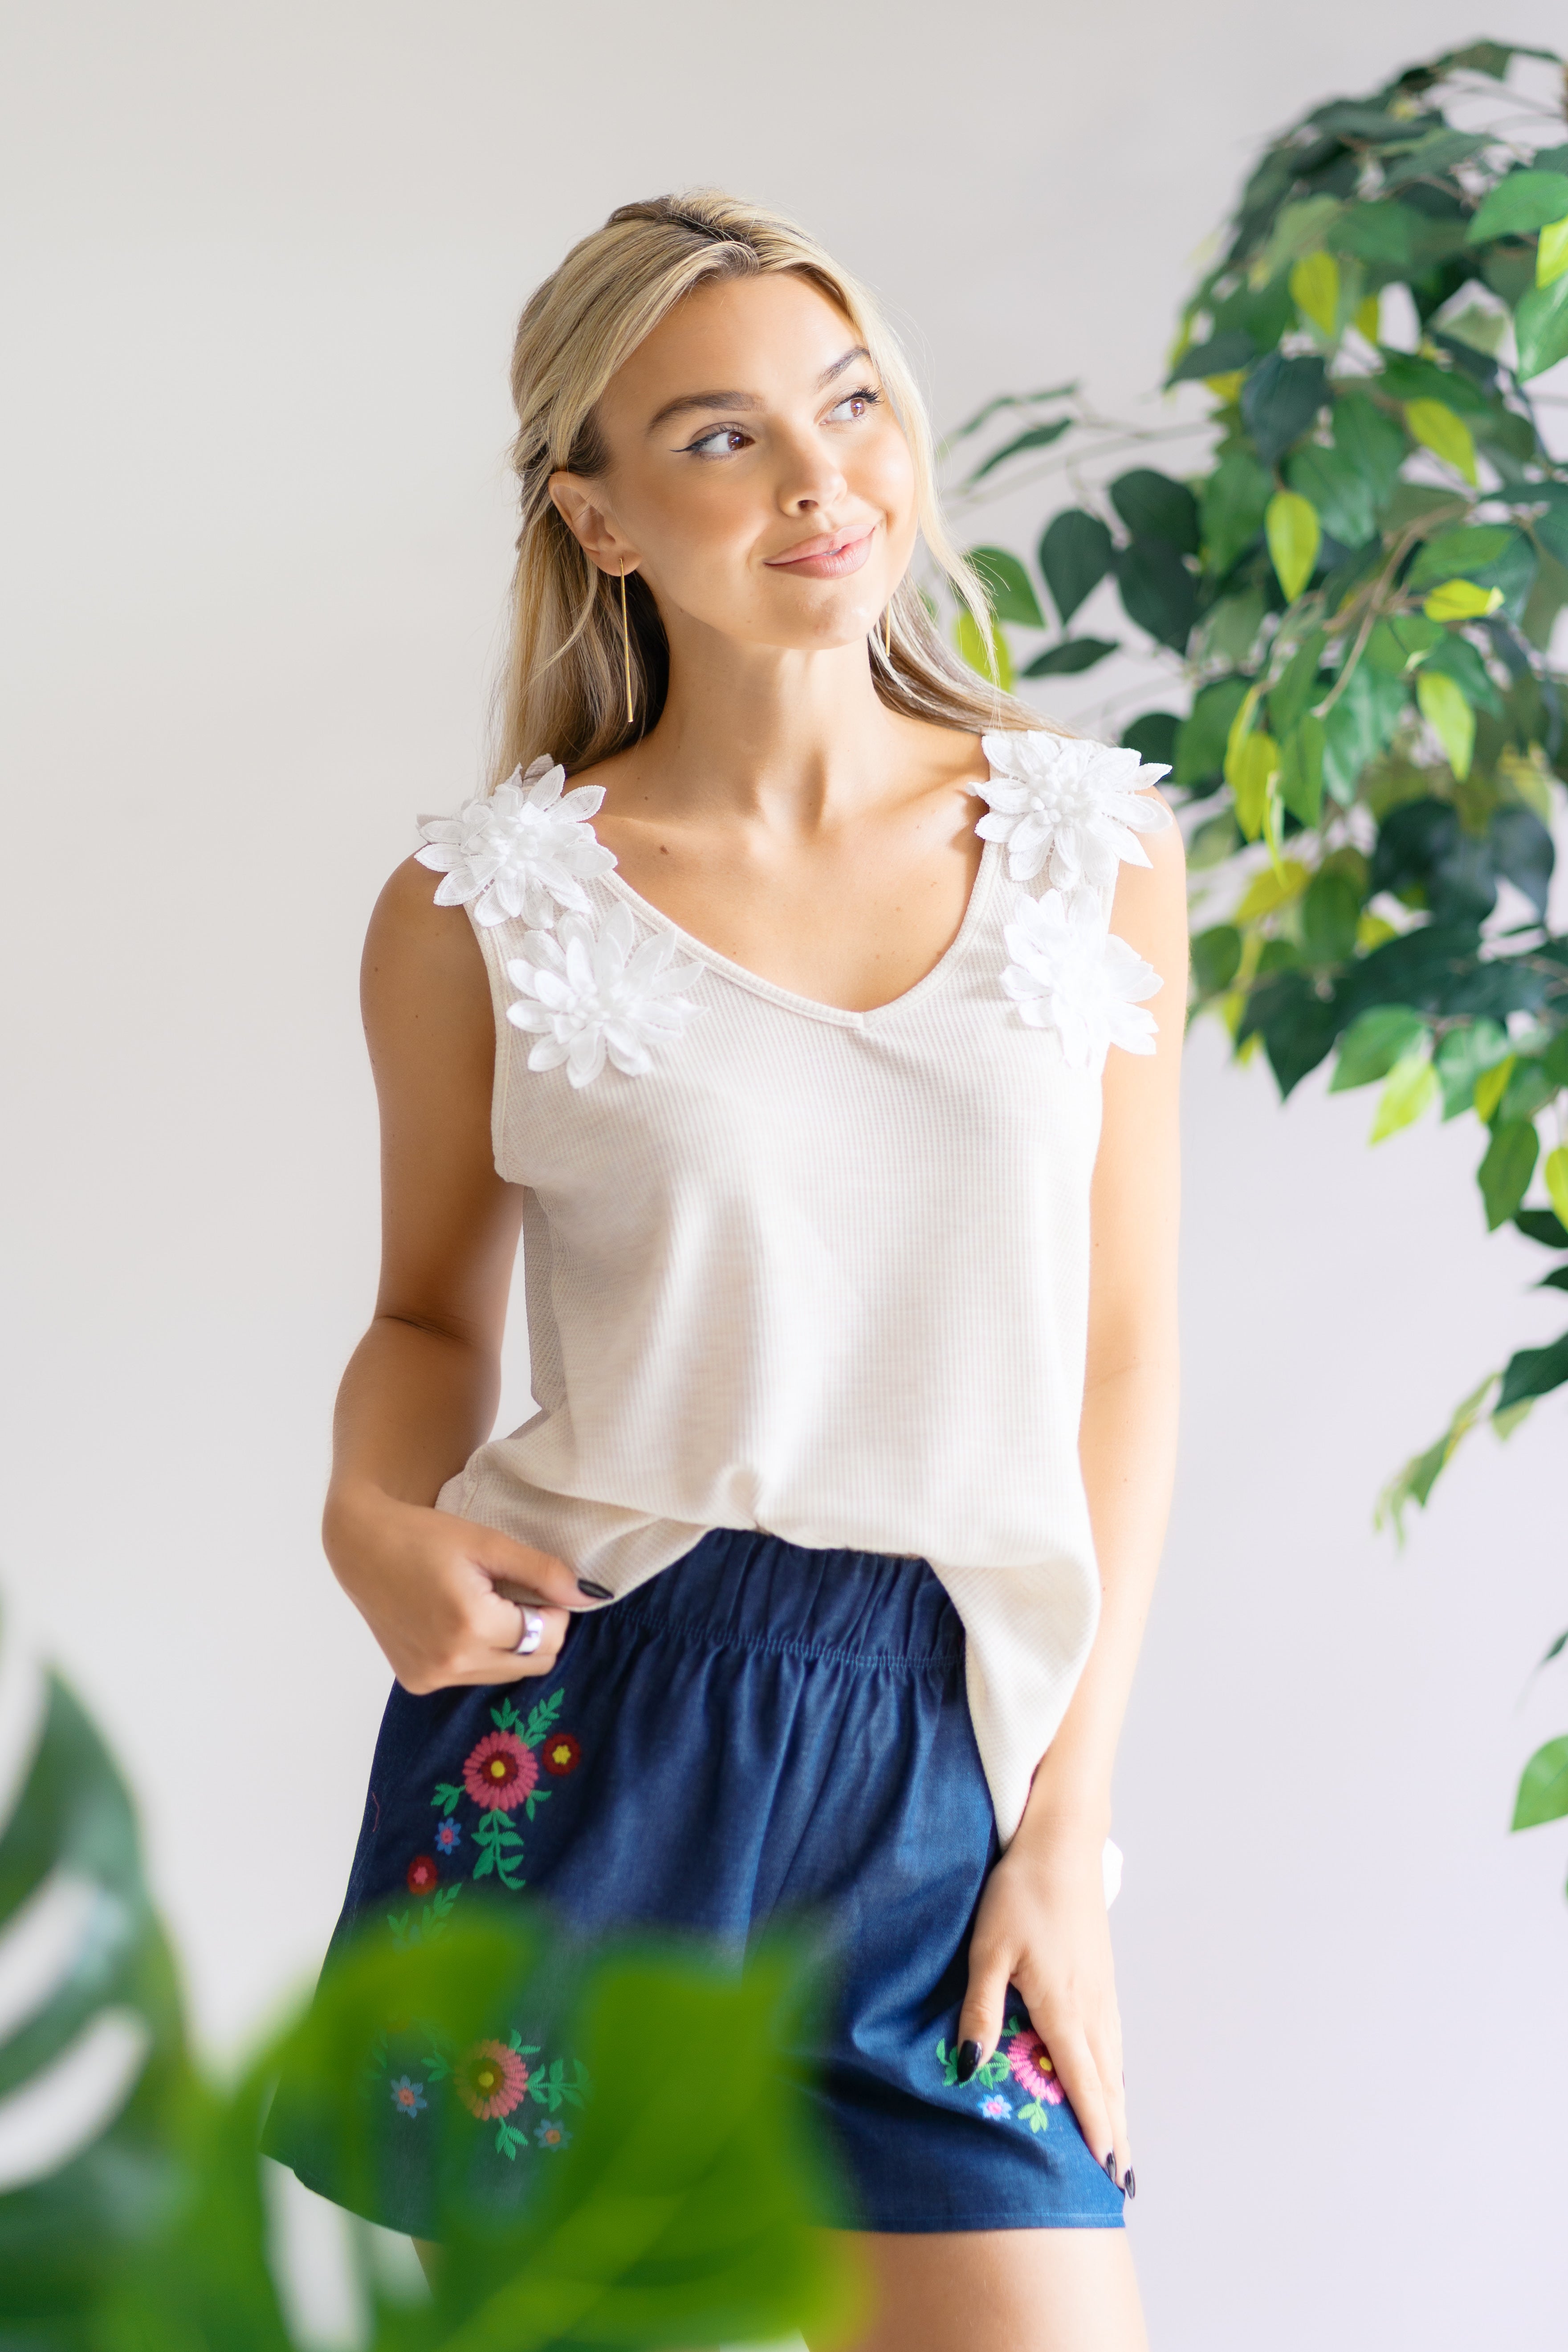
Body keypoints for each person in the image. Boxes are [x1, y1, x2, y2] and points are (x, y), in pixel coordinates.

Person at [271, 191, 1185, 2352]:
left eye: (845, 402)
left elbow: (1123, 1356)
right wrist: (365, 1520)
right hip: (602, 1711)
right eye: (715, 437)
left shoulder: (1090, 849)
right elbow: (422, 1321)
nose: (815, 481)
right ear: (595, 514)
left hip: (942, 1737)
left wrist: (1064, 1826)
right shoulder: (482, 904)